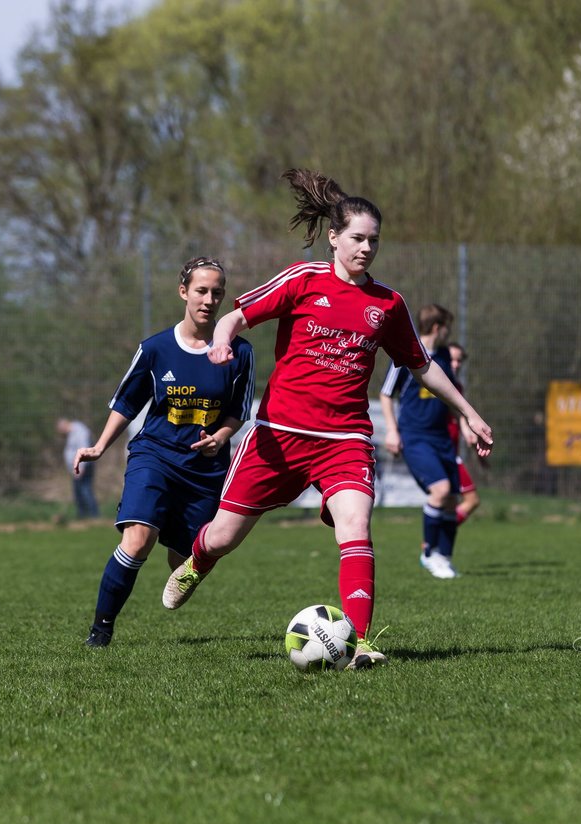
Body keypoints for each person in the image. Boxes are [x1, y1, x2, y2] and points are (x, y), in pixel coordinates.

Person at [160, 168, 494, 670]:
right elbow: (236, 315)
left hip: (345, 439)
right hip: (279, 434)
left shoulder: (387, 305)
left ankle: (358, 642)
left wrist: (469, 414)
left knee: (356, 527)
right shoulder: (303, 280)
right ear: (334, 237)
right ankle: (197, 561)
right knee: (224, 536)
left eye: (374, 241)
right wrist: (224, 339)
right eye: (357, 238)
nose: (365, 248)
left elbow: (423, 367)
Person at [72, 256, 255, 649]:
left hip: (204, 469)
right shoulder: (155, 349)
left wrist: (221, 437)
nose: (209, 300)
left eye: (217, 292)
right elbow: (126, 402)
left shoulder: (240, 352)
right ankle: (100, 631)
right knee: (138, 540)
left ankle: (187, 558)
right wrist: (100, 446)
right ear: (183, 292)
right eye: (201, 291)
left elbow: (238, 412)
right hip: (154, 455)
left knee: (187, 562)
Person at [378, 304, 472, 579]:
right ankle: (429, 552)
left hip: (442, 437)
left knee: (453, 500)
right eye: (447, 328)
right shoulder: (406, 351)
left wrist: (465, 423)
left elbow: (450, 394)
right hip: (415, 436)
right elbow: (386, 394)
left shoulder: (443, 354)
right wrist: (392, 431)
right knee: (440, 490)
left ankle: (444, 557)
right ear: (437, 327)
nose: (448, 333)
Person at [447, 342, 485, 527]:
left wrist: (467, 430)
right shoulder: (431, 387)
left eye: (459, 361)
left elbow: (457, 414)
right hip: (442, 453)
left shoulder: (457, 387)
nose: (455, 364)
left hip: (452, 453)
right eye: (451, 359)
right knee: (471, 499)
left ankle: (434, 543)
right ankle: (434, 540)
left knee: (453, 503)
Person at [57, 418, 99, 519]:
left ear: (64, 426)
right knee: (78, 491)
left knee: (85, 490)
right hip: (77, 468)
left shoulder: (79, 431)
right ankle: (82, 515)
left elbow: (84, 449)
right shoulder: (71, 434)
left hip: (83, 466)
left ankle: (94, 516)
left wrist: (81, 467)